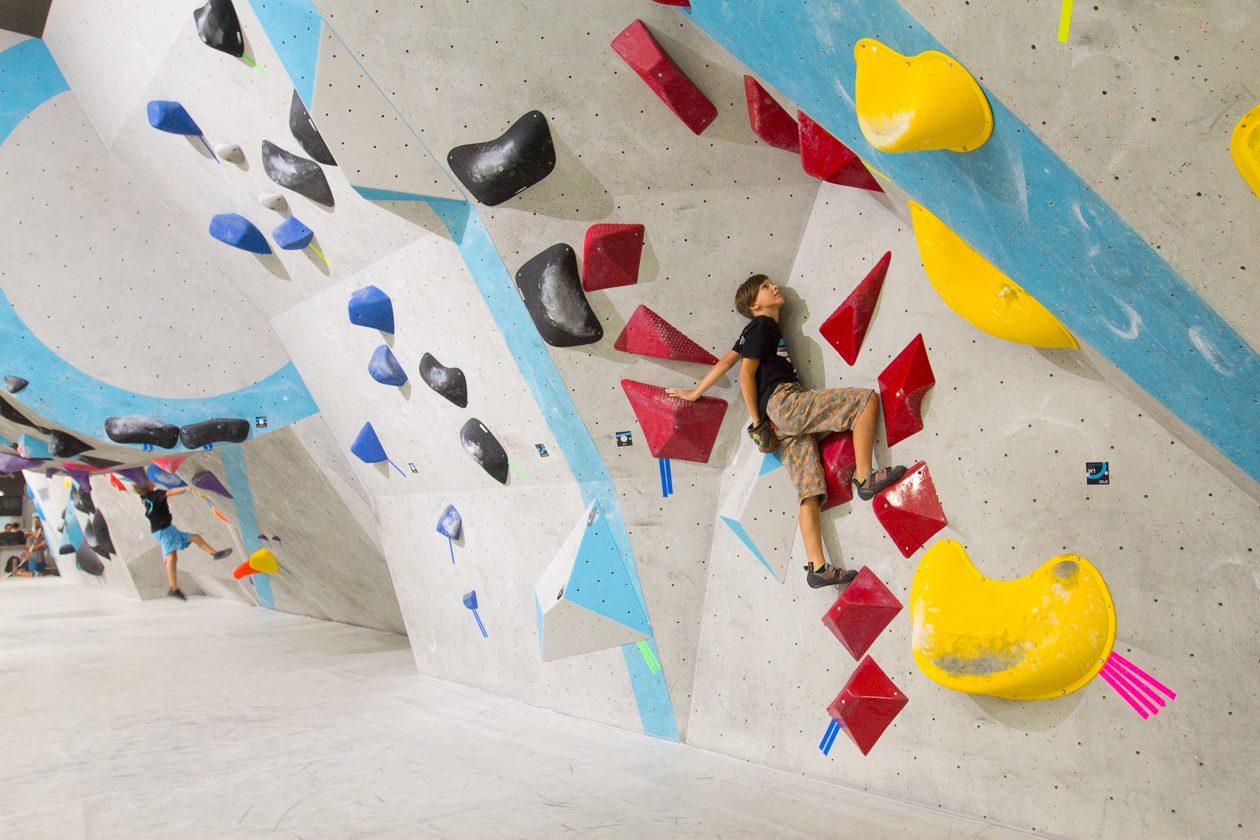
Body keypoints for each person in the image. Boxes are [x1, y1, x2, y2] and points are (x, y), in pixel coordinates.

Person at [668, 274, 906, 590]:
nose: (775, 287)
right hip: (783, 403)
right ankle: (864, 476)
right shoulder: (764, 326)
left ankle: (817, 567)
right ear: (755, 304)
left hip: (779, 421)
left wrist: (696, 392)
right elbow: (744, 375)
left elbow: (727, 361)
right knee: (864, 402)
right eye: (766, 287)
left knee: (809, 489)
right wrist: (756, 420)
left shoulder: (753, 332)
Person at [132, 479, 232, 600]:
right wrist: (186, 488)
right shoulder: (155, 495)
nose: (150, 480)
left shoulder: (145, 497)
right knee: (171, 556)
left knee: (195, 538)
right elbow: (170, 492)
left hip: (167, 529)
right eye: (147, 480)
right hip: (164, 531)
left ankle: (215, 553)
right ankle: (173, 588)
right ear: (145, 485)